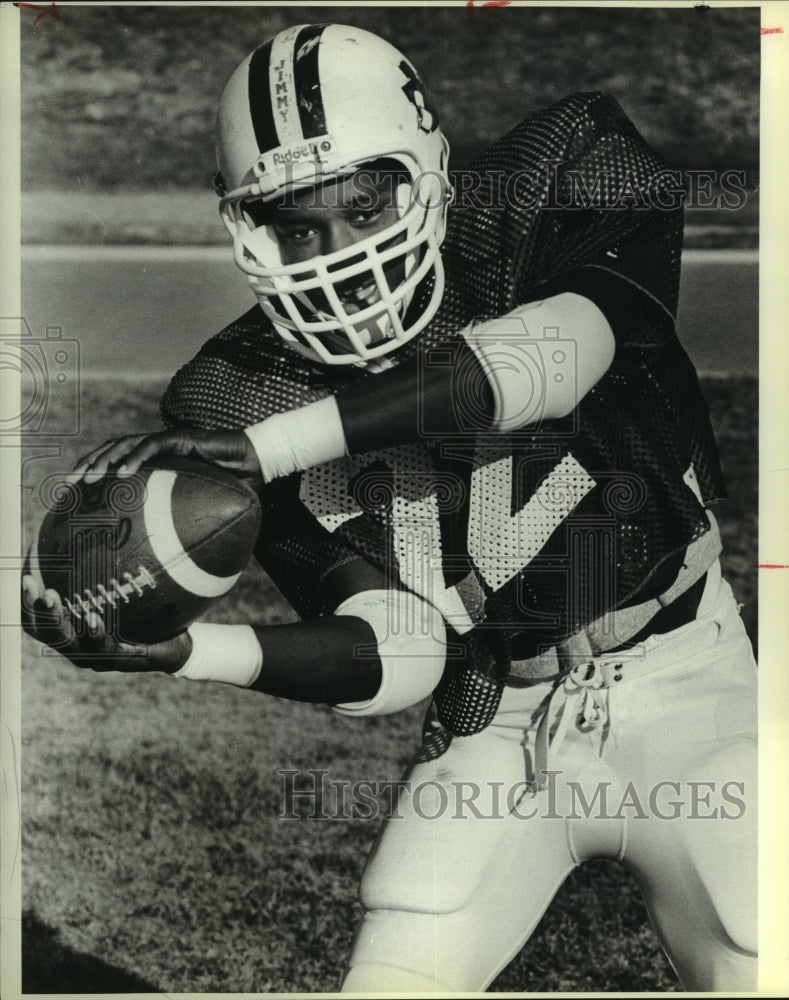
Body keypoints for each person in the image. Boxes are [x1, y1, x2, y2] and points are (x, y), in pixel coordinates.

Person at [22, 23, 757, 993]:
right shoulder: (229, 393)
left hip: (684, 678)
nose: (339, 259)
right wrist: (191, 653)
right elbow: (402, 644)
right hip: (494, 709)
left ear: (430, 179)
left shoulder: (554, 181)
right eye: (296, 227)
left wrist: (271, 446)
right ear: (246, 230)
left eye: (363, 210)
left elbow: (548, 359)